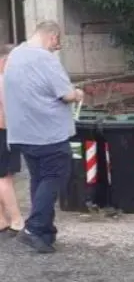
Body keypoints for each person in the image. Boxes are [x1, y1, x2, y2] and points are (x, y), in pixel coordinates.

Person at [5, 21, 83, 253]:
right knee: (53, 178)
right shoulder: (46, 59)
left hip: (22, 132)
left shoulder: (15, 55)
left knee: (39, 180)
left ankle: (45, 234)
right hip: (48, 133)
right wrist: (77, 93)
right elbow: (66, 94)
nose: (55, 48)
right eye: (57, 43)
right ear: (52, 37)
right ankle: (35, 228)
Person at [0, 43, 24, 237]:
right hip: (3, 132)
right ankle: (16, 219)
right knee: (5, 178)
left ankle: (1, 219)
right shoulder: (3, 82)